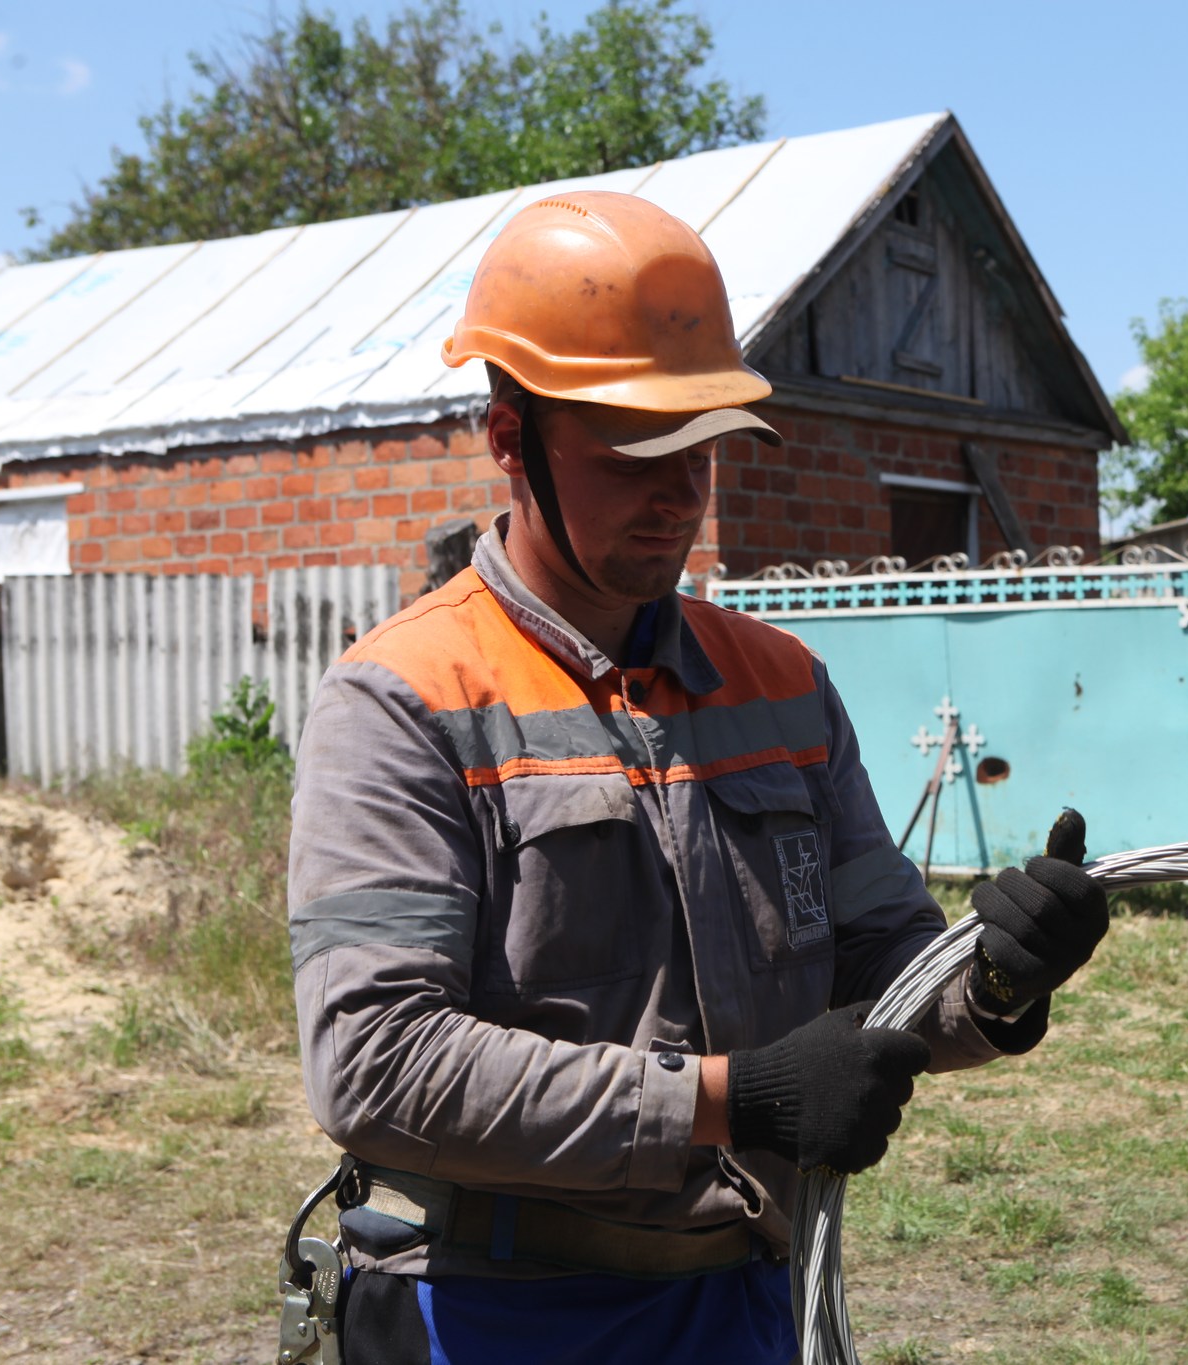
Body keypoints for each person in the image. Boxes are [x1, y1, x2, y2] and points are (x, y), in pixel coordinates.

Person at [285, 191, 1109, 1364]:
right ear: (510, 438)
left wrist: (994, 984)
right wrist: (729, 1100)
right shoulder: (403, 700)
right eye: (632, 452)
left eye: (701, 446)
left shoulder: (779, 685)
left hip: (747, 1302)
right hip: (495, 1315)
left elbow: (884, 979)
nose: (678, 492)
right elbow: (375, 1066)